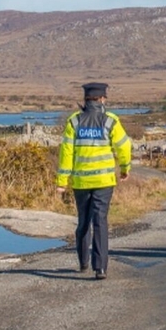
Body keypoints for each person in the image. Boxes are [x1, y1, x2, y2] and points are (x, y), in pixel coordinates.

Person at [56, 82, 132, 280]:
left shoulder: (74, 121)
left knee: (83, 221)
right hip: (104, 181)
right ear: (102, 99)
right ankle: (101, 268)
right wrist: (125, 168)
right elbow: (124, 147)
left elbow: (66, 153)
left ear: (85, 99)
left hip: (81, 182)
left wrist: (62, 181)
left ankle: (83, 262)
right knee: (100, 221)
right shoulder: (110, 121)